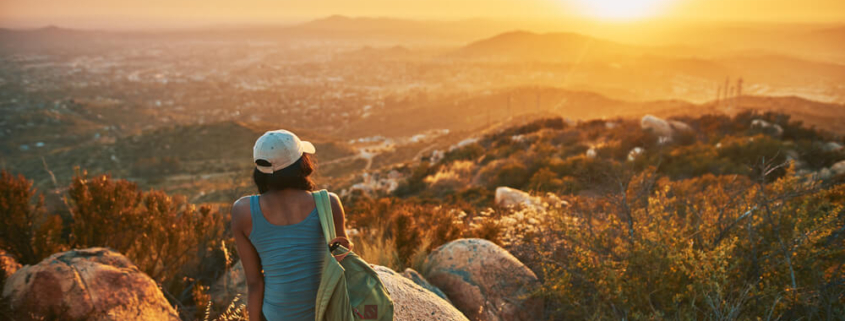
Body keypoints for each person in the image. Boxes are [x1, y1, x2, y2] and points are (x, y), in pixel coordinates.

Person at [230, 129, 350, 321]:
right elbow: (345, 263)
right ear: (302, 163)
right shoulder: (329, 203)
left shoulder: (243, 211)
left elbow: (254, 283)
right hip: (327, 314)